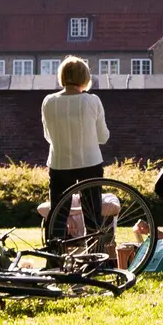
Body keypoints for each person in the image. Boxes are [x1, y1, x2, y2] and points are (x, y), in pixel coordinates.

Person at [42, 56, 109, 247]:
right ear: (85, 77)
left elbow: (48, 136)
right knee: (92, 212)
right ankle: (96, 255)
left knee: (58, 212)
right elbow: (103, 137)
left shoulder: (48, 102)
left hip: (59, 162)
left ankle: (54, 257)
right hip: (89, 161)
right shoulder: (92, 100)